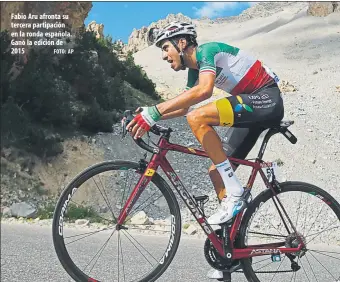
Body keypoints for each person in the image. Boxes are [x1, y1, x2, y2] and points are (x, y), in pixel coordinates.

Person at [126, 21, 284, 280]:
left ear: (182, 43)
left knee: (199, 119)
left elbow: (204, 91)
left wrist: (155, 113)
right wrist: (149, 115)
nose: (164, 56)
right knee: (216, 172)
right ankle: (230, 252)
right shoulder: (193, 70)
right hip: (251, 109)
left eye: (166, 48)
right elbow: (183, 107)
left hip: (267, 99)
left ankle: (235, 194)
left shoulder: (206, 51)